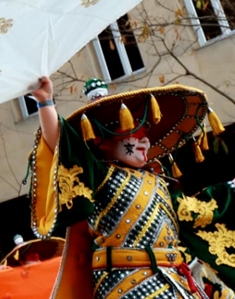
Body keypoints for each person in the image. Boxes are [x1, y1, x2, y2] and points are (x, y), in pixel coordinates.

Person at [28, 77, 235, 298]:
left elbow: (197, 209)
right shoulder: (99, 176)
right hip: (125, 282)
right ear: (102, 141)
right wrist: (45, 102)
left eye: (145, 134)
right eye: (133, 132)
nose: (144, 141)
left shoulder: (158, 180)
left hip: (173, 279)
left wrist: (230, 189)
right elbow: (61, 144)